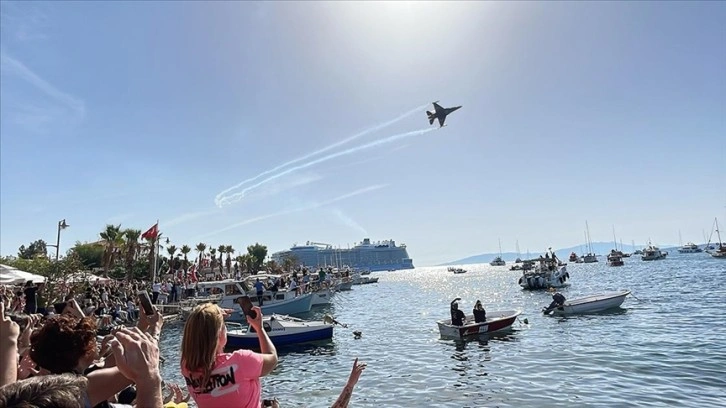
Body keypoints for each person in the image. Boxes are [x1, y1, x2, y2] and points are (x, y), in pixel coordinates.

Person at [180, 303, 278, 408]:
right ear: (219, 334)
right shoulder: (241, 362)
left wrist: (212, 314)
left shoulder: (187, 367)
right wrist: (259, 328)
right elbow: (272, 358)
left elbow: (198, 326)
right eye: (224, 325)